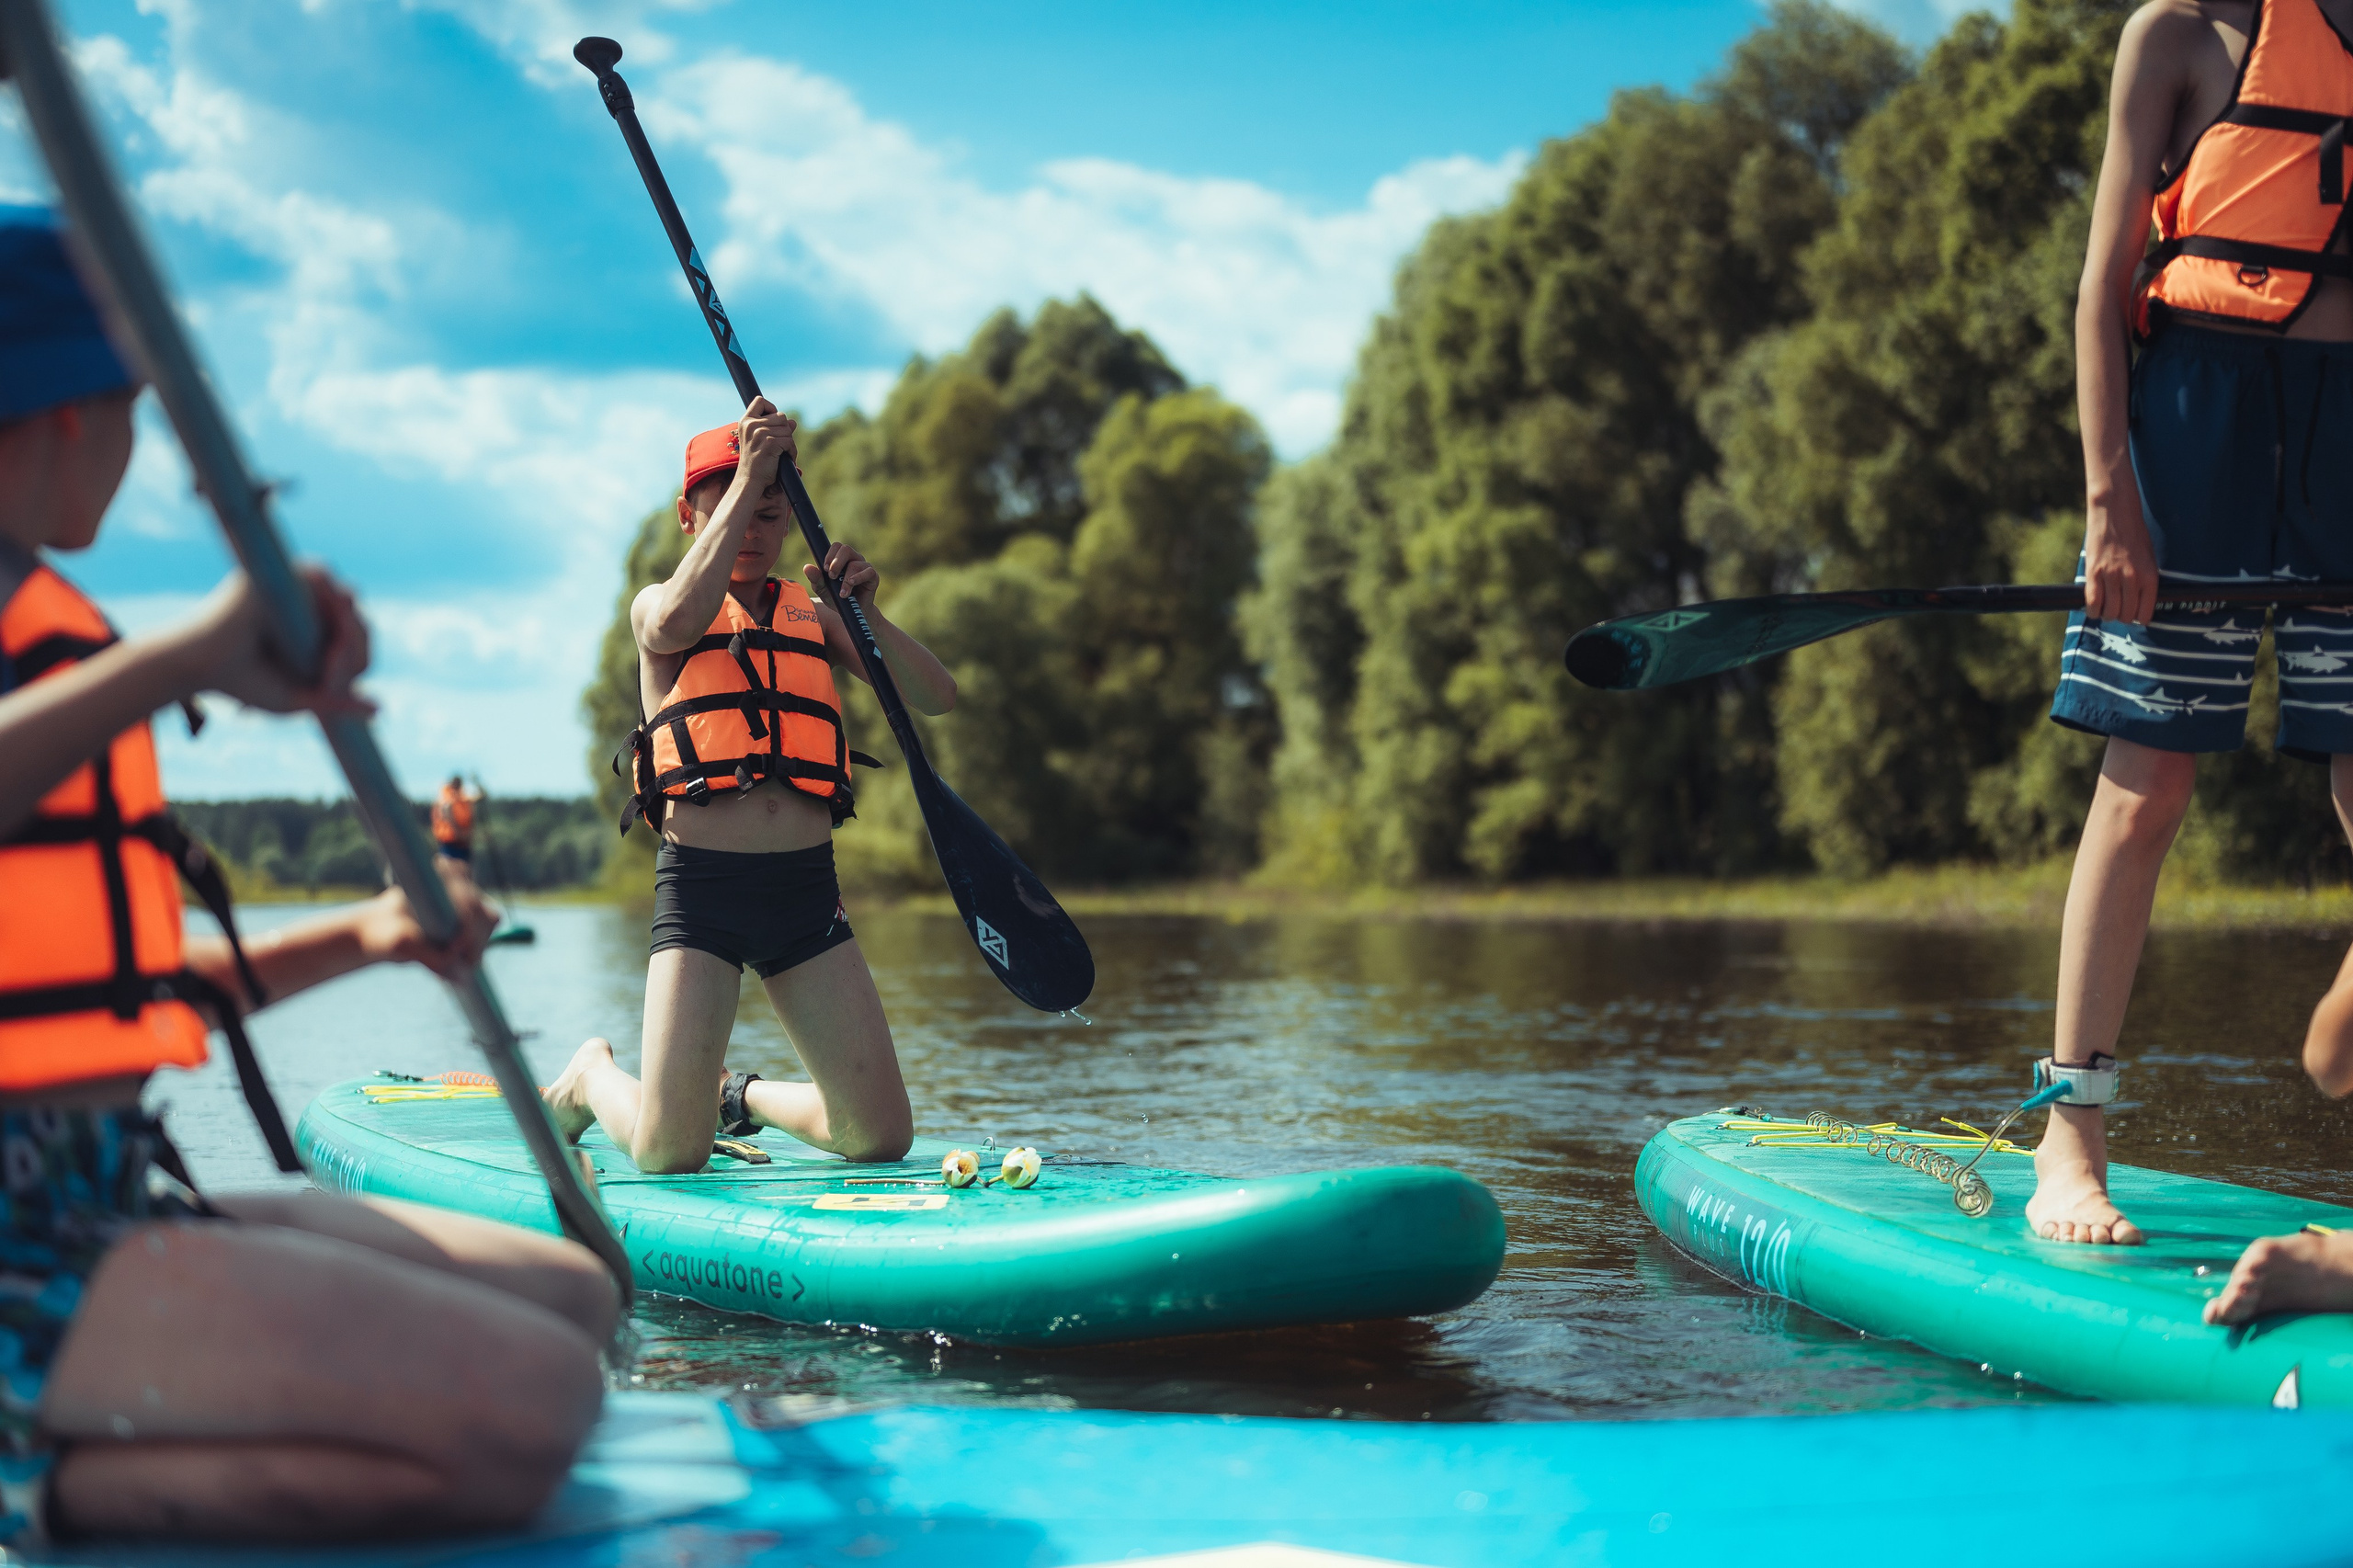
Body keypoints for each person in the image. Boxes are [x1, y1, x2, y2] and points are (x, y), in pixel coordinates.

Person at [0, 209, 616, 1544]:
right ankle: (45, 1491)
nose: (132, 450)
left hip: (98, 1190)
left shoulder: (46, 627)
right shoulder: (65, 662)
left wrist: (379, 930)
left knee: (577, 1298)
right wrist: (182, 657)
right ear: (62, 415)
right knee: (537, 1400)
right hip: (16, 1247)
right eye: (127, 414)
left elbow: (132, 987)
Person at [2045, 0, 2353, 1281]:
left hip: (2346, 437)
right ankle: (2071, 1137)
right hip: (2194, 427)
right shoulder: (2172, 38)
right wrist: (2111, 499)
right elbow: (2102, 292)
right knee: (2147, 784)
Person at [542, 402, 955, 1173]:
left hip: (805, 895)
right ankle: (590, 1076)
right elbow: (671, 627)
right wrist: (752, 474)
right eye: (731, 502)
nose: (755, 525)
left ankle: (744, 1097)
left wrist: (866, 615)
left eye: (771, 508)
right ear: (688, 515)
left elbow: (935, 696)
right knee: (670, 1154)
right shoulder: (659, 607)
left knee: (879, 1138)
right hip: (704, 896)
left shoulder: (816, 618)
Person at [432, 774, 481, 861]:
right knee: (454, 869)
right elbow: (448, 816)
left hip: (463, 843)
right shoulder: (446, 799)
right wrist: (458, 834)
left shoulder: (463, 798)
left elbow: (480, 796)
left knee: (464, 869)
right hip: (449, 843)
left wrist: (476, 782)